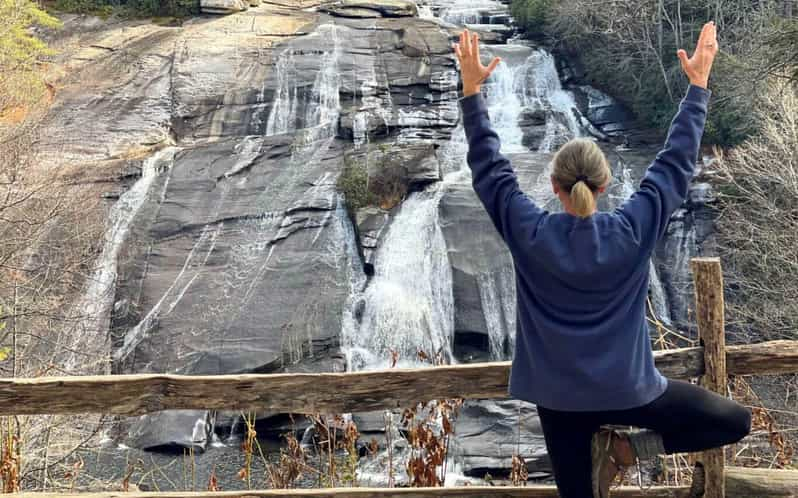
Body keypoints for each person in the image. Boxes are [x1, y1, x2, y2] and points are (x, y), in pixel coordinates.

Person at [452, 22, 751, 498]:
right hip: (630, 393)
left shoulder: (530, 232)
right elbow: (673, 166)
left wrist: (471, 92)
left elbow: (489, 170)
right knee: (736, 420)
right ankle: (631, 452)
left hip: (558, 402)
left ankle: (621, 455)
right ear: (606, 184)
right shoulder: (632, 230)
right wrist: (698, 86)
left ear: (554, 187)